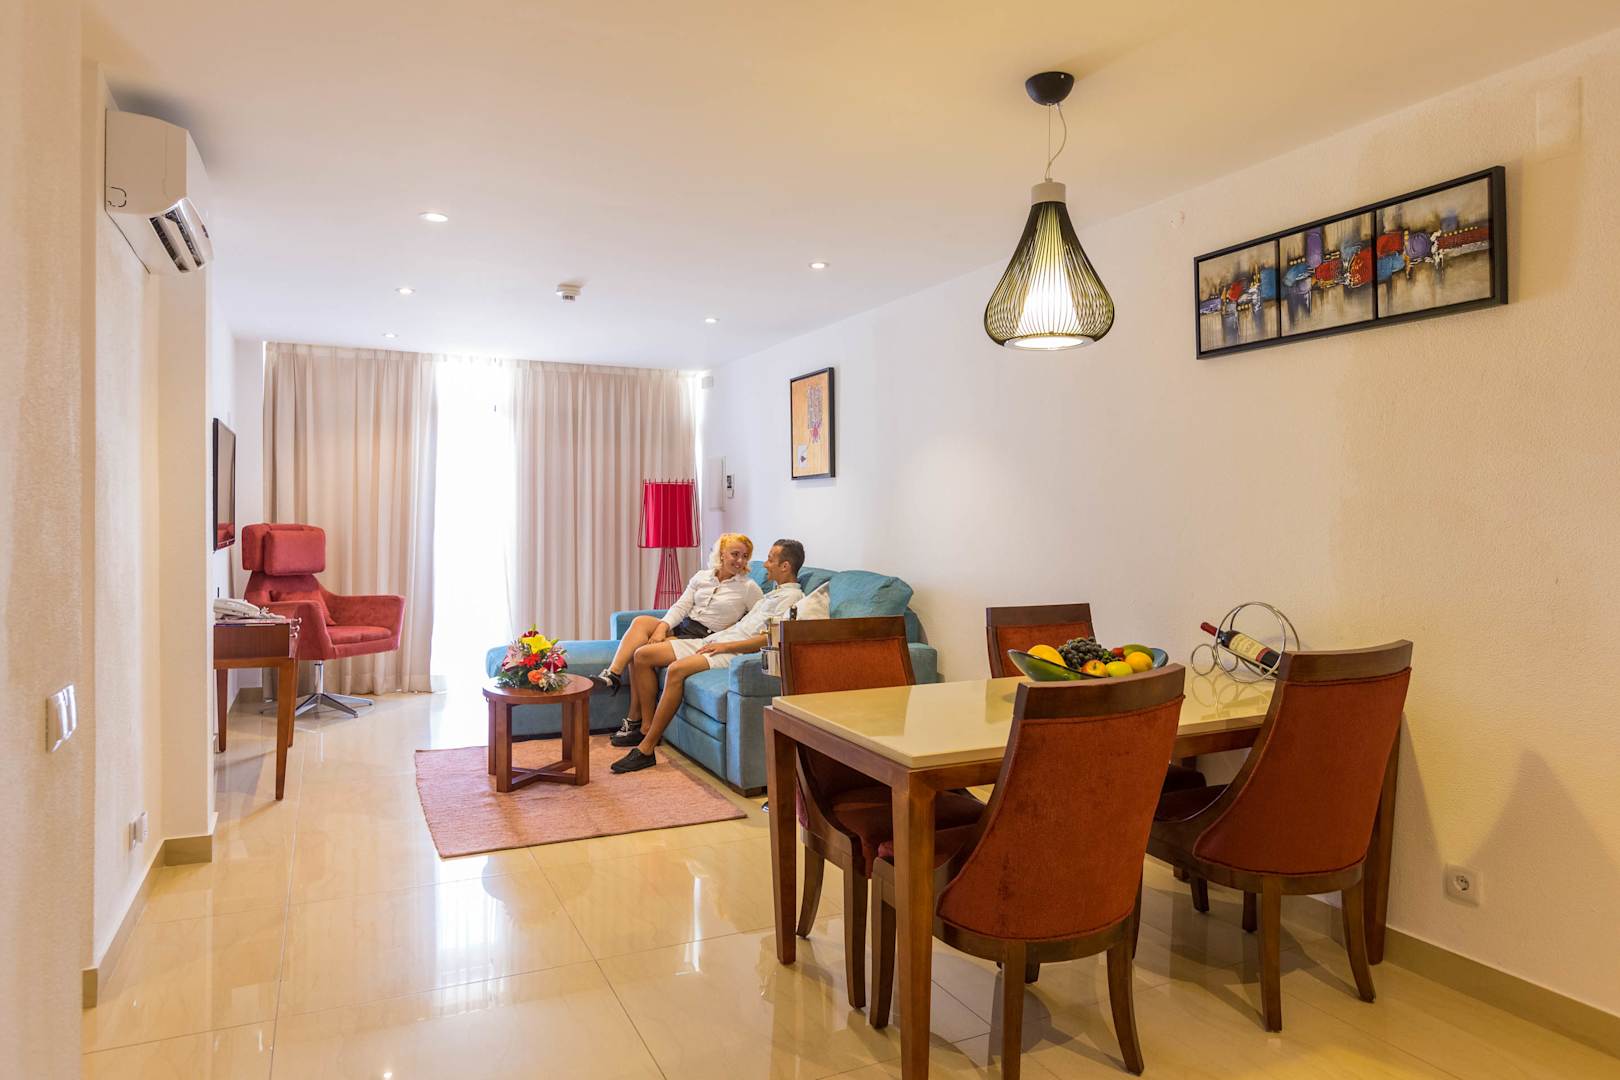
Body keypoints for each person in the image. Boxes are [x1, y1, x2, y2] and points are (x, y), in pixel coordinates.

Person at [610, 539, 805, 774]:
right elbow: (743, 622)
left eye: (770, 560)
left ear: (785, 566)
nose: (764, 564)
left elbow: (770, 639)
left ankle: (646, 748)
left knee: (676, 670)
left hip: (733, 649)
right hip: (719, 639)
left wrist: (725, 646)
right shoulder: (773, 595)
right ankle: (639, 723)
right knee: (642, 652)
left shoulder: (791, 599)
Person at [596, 533, 762, 742]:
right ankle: (613, 674)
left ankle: (642, 724)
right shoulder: (702, 577)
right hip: (684, 627)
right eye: (735, 554)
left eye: (745, 556)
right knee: (640, 622)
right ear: (721, 554)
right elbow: (681, 607)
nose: (740, 561)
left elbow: (757, 619)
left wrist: (732, 629)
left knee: (639, 653)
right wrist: (662, 628)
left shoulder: (749, 588)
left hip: (703, 637)